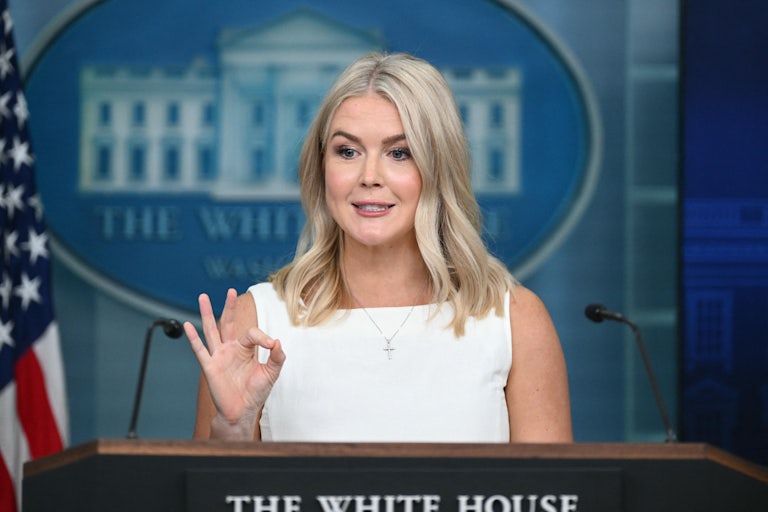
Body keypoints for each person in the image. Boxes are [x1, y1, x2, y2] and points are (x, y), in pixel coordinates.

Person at [184, 52, 573, 443]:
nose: (369, 177)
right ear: (321, 168)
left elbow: (551, 496)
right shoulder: (259, 321)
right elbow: (210, 498)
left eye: (399, 153)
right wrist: (232, 428)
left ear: (439, 167)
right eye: (347, 152)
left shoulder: (513, 320)